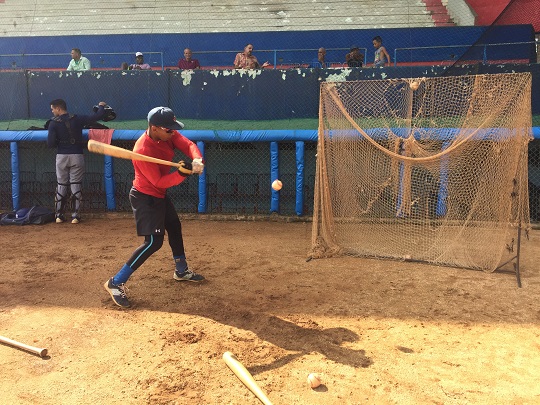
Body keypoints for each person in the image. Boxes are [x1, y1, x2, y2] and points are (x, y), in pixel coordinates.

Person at [103, 106, 205, 308]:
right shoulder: (141, 150)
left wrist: (196, 159)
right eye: (168, 129)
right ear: (155, 128)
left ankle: (181, 270)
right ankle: (115, 282)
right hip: (145, 198)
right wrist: (182, 174)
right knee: (153, 243)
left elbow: (188, 143)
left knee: (174, 226)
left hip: (159, 195)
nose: (172, 131)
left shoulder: (168, 134)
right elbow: (158, 181)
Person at [47, 99, 107, 224]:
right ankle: (75, 216)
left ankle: (59, 215)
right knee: (76, 184)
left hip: (61, 156)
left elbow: (51, 144)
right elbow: (97, 116)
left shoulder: (53, 123)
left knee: (62, 185)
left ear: (58, 108)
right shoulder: (77, 118)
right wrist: (101, 106)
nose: (52, 111)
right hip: (76, 155)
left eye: (53, 109)